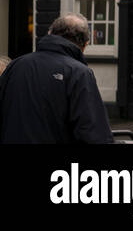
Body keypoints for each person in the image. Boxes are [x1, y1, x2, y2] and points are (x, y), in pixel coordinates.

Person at [0, 14, 114, 144]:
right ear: (85, 45)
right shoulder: (79, 74)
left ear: (50, 33)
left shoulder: (15, 66)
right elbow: (93, 134)